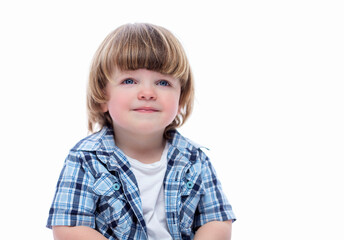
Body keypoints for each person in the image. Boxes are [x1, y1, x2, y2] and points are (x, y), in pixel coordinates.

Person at [47, 23, 236, 240]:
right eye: (129, 81)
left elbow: (217, 219)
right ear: (102, 97)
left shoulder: (195, 159)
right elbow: (69, 228)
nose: (147, 93)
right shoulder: (85, 159)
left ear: (180, 99)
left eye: (163, 82)